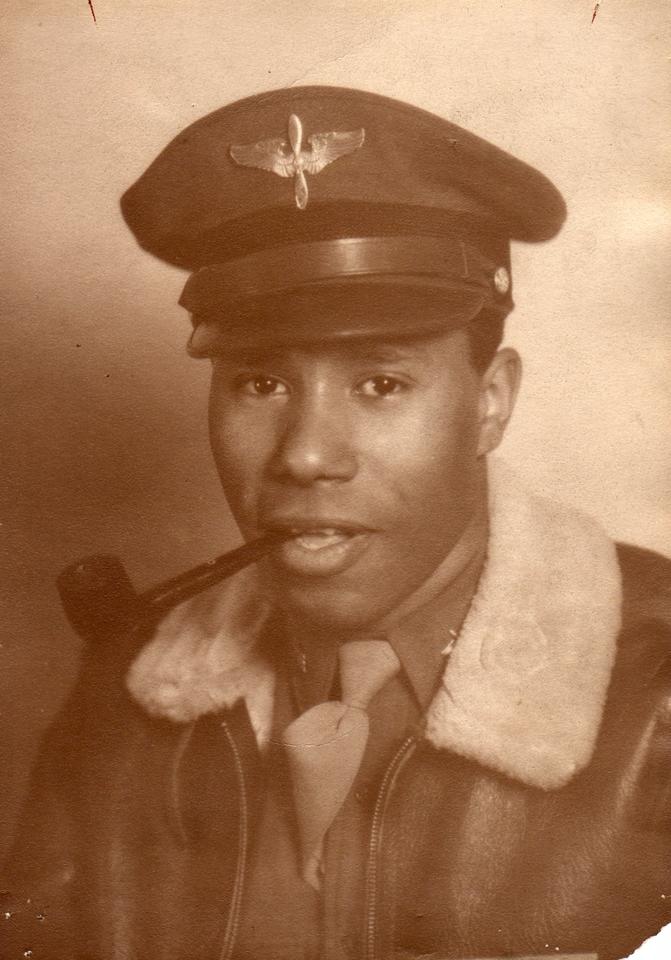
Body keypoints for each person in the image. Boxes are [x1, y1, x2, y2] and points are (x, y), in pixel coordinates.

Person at [3, 85, 670, 960]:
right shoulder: (129, 687)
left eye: (380, 384)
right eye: (259, 382)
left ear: (489, 404)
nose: (306, 456)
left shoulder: (655, 695)